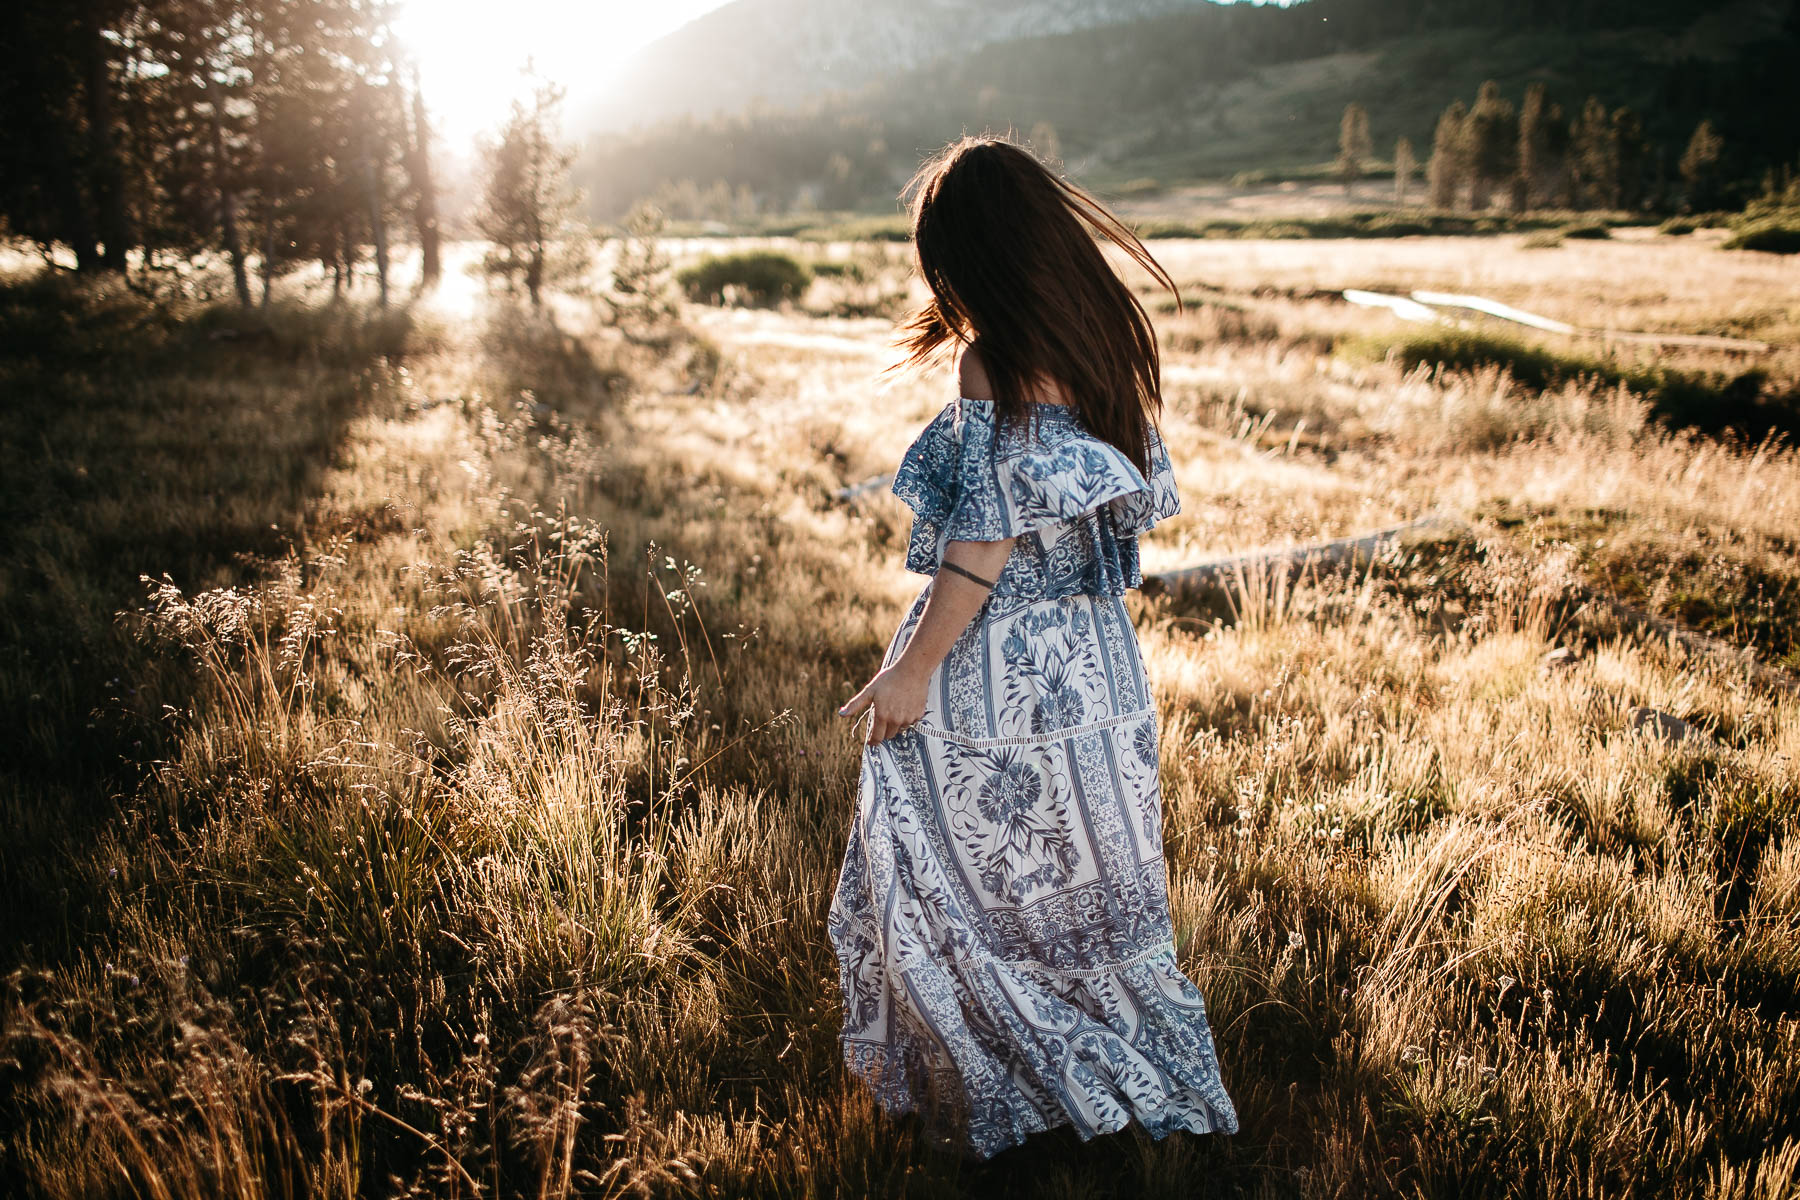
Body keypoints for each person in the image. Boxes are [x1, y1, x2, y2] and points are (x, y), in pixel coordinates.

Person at [829, 134, 1238, 1160]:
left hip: (998, 668)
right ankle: (1129, 1079)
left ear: (975, 257)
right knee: (1097, 894)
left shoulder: (993, 361)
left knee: (943, 864)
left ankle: (1019, 1083)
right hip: (1097, 670)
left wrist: (915, 665)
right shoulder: (1107, 333)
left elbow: (983, 541)